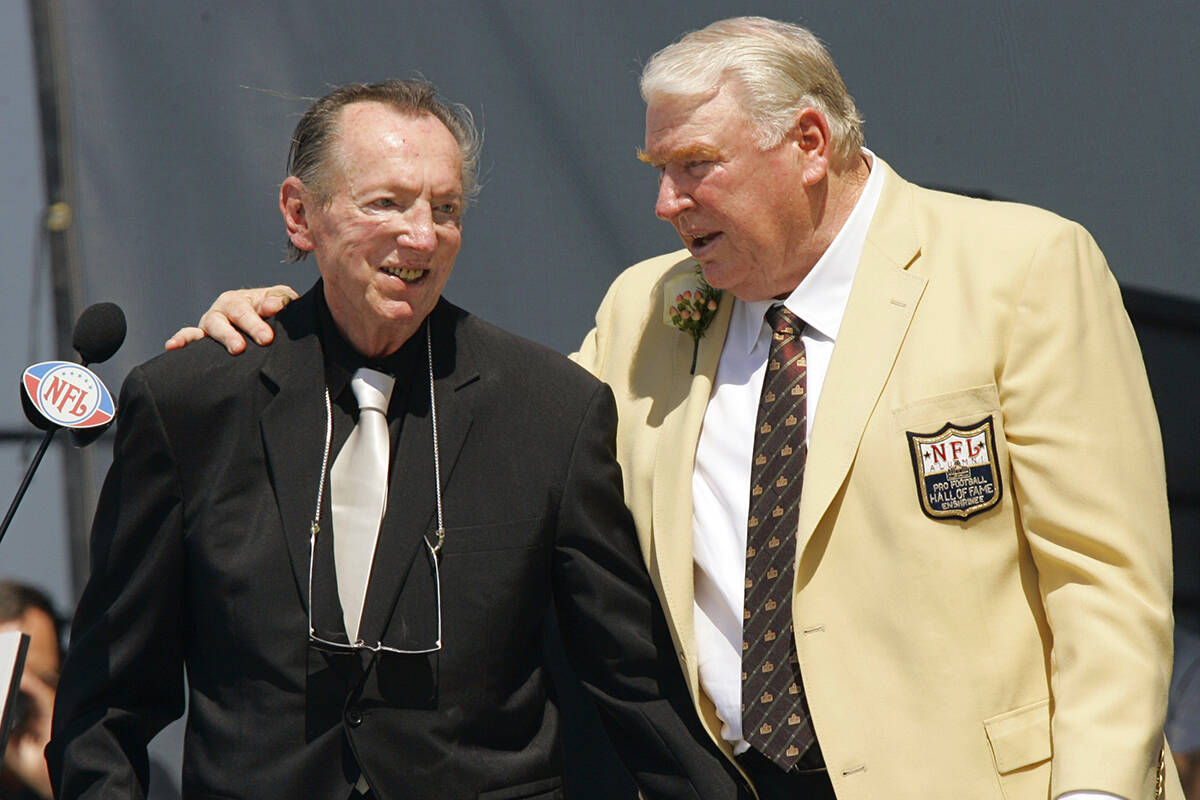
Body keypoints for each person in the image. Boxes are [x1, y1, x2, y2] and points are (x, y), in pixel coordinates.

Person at [172, 18, 1184, 800]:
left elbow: (1105, 582)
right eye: (659, 172)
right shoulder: (647, 309)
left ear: (809, 142)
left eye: (695, 166)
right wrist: (303, 329)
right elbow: (478, 425)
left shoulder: (1020, 269)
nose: (666, 204)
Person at [47, 79, 742, 800]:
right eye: (386, 203)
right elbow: (107, 700)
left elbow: (632, 689)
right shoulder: (192, 405)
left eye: (446, 209)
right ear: (299, 214)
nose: (421, 235)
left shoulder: (549, 412)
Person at [0, 582, 59, 800]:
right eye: (7, 676)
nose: (19, 698)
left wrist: (56, 776)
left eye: (44, 679)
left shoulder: (116, 768)